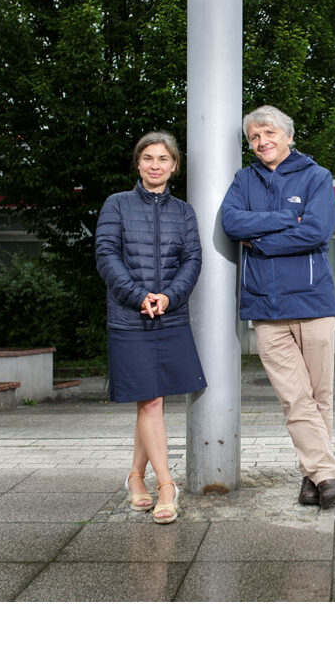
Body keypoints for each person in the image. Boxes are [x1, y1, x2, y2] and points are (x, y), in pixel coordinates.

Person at [219, 105, 335, 508]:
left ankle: (312, 480)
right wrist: (283, 218)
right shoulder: (244, 179)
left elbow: (316, 230)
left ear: (289, 136)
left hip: (313, 303)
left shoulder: (316, 177)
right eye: (254, 137)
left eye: (269, 133)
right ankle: (326, 476)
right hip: (265, 309)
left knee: (318, 396)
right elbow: (232, 223)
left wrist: (261, 241)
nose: (262, 142)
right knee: (295, 398)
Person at [95, 131, 206, 524]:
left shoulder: (184, 212)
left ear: (175, 166)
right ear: (138, 163)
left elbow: (192, 260)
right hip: (129, 317)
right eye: (148, 158)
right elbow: (106, 255)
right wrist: (138, 295)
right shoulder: (117, 205)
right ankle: (166, 485)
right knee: (151, 401)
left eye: (163, 159)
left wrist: (169, 297)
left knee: (152, 399)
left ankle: (134, 477)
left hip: (169, 315)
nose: (155, 165)